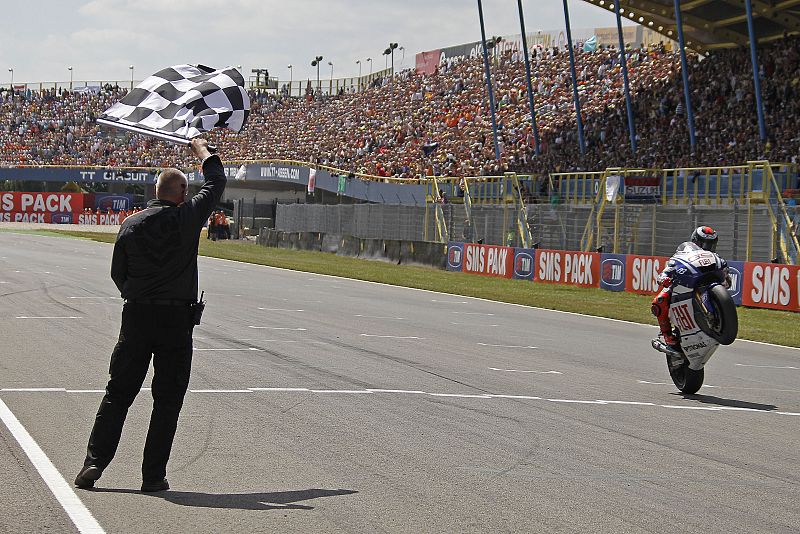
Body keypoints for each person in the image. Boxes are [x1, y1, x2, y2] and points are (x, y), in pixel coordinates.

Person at [74, 138, 225, 492]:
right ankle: (152, 476)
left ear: (156, 191)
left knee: (118, 394)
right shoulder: (187, 217)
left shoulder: (131, 224)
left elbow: (118, 274)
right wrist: (201, 148)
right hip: (175, 321)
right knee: (167, 400)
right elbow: (217, 181)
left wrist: (136, 294)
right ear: (183, 193)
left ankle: (92, 465)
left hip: (137, 316)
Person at [651, 226, 726, 349]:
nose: (708, 247)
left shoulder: (715, 257)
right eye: (704, 244)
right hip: (685, 283)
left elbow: (726, 276)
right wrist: (664, 276)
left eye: (711, 244)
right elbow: (671, 266)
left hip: (706, 282)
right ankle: (667, 335)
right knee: (659, 301)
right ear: (695, 242)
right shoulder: (684, 252)